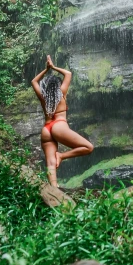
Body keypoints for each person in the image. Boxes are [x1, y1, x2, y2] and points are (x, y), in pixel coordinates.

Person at [31, 55, 94, 187]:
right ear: (58, 85)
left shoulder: (43, 96)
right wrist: (53, 67)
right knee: (88, 147)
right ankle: (62, 156)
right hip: (59, 126)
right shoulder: (62, 92)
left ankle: (54, 188)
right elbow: (68, 73)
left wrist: (46, 69)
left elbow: (34, 82)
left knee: (50, 162)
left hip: (46, 128)